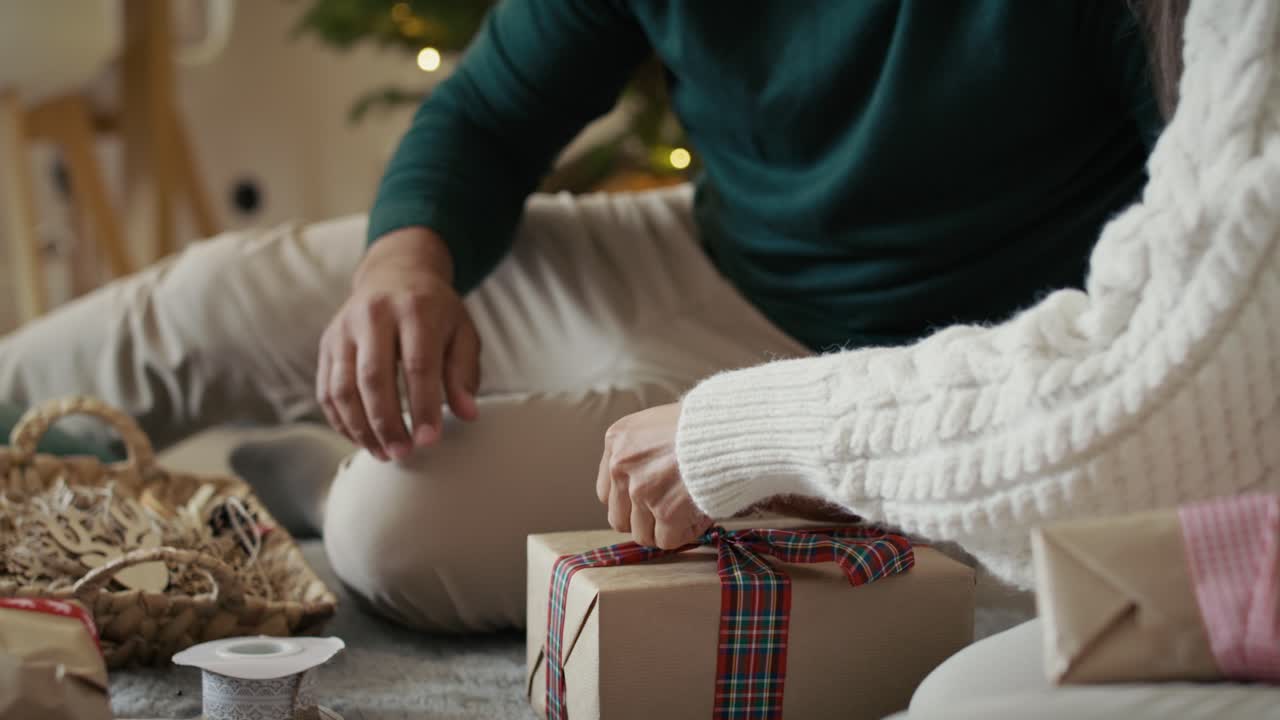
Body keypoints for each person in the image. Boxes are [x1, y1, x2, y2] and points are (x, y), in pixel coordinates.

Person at [4, 0, 1268, 642]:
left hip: (923, 372)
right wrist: (406, 266)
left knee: (396, 528)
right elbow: (489, 113)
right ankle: (310, 461)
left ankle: (331, 484)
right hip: (692, 249)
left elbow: (1169, 333)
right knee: (214, 295)